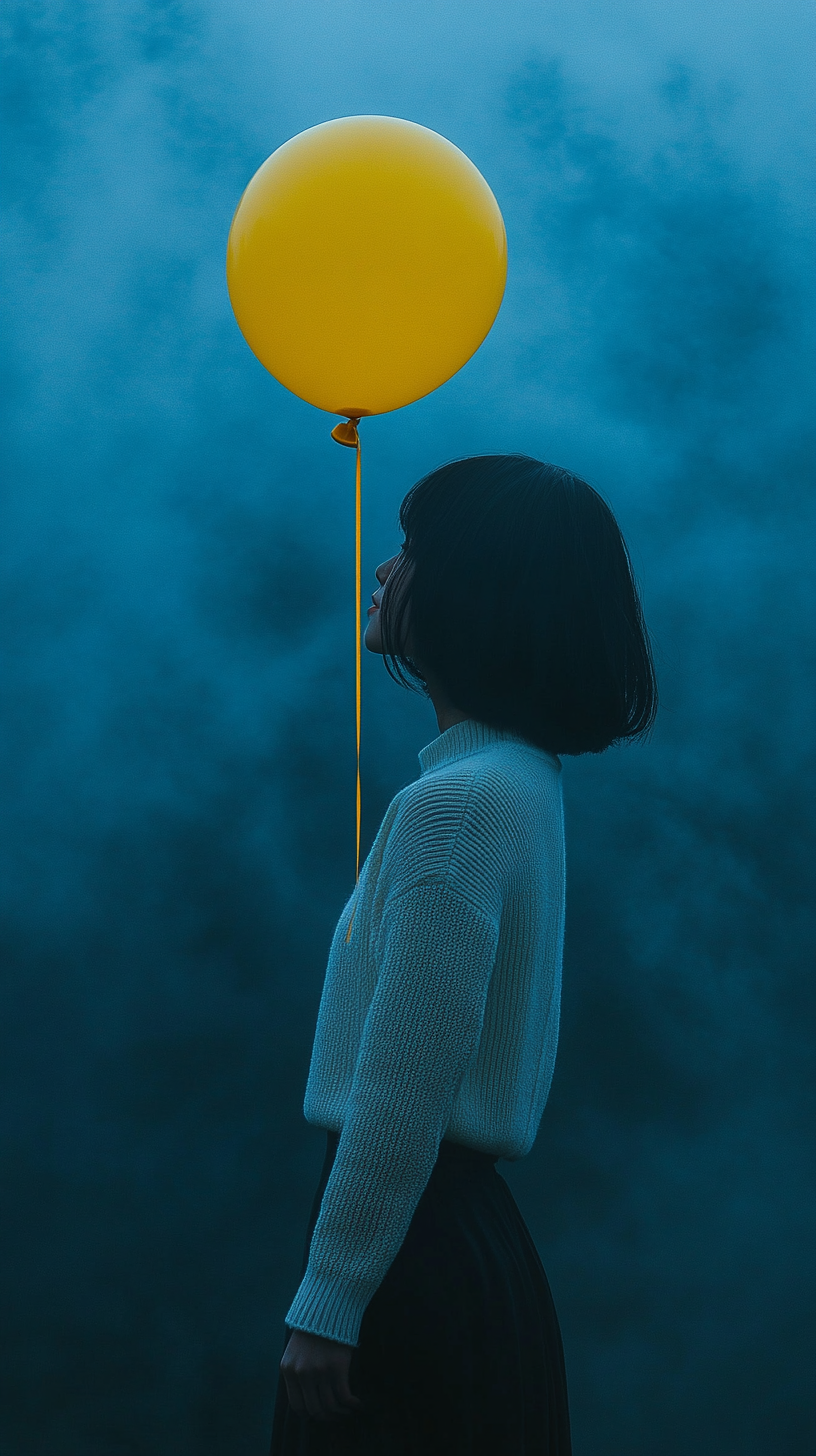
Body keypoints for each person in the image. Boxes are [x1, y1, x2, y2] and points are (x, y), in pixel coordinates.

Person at [269, 454, 658, 1455]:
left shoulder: (459, 803)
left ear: (478, 592)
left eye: (413, 552)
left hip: (416, 1257)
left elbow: (405, 1085)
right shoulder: (520, 780)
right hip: (458, 1246)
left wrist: (329, 1298)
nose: (384, 571)